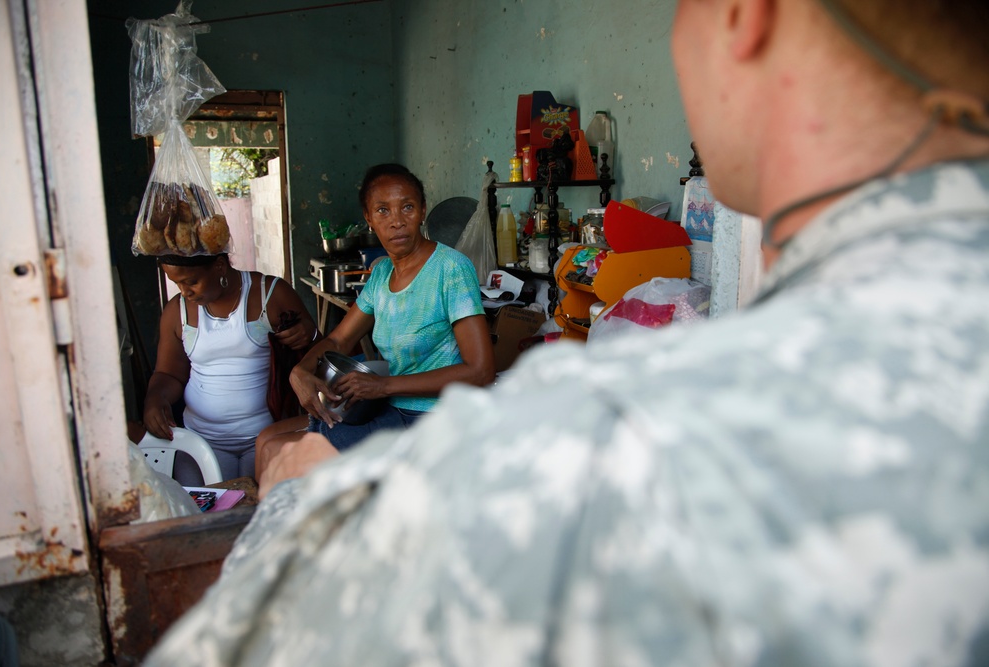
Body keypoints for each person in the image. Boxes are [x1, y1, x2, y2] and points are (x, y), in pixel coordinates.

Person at [146, 1, 989, 665]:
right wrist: (319, 367)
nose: (397, 221)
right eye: (384, 211)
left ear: (745, 16)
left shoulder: (594, 448)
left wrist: (303, 493)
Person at [253, 163, 495, 478]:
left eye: (407, 207)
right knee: (265, 439)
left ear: (422, 211)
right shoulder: (381, 274)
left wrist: (382, 386)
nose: (396, 221)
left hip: (430, 420)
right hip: (389, 408)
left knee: (277, 453)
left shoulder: (450, 268)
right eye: (382, 210)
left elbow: (481, 371)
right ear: (369, 219)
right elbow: (339, 340)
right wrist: (300, 371)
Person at [142, 253, 316, 482]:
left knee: (258, 508)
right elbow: (169, 373)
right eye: (177, 283)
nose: (185, 292)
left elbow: (318, 352)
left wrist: (308, 333)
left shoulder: (270, 294)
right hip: (202, 441)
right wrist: (155, 399)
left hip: (266, 436)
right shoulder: (178, 311)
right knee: (207, 509)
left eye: (192, 282)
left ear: (220, 266)